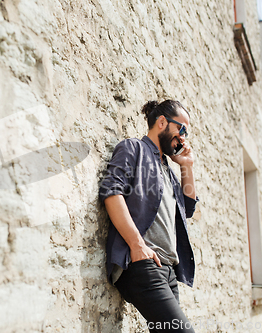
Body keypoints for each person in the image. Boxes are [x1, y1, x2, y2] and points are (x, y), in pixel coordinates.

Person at [99, 100, 199, 332]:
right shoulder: (133, 148)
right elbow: (111, 192)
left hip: (168, 271)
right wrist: (137, 246)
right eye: (181, 129)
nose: (183, 138)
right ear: (162, 122)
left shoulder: (169, 171)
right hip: (141, 264)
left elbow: (189, 208)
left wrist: (186, 166)